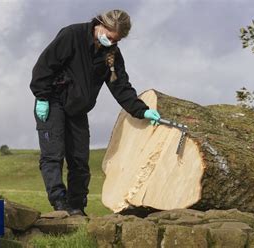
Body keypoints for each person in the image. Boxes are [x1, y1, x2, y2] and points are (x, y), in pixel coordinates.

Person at [30, 9, 161, 216]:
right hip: (52, 101)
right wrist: (42, 97)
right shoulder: (72, 35)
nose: (111, 42)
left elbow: (121, 87)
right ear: (100, 24)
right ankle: (59, 204)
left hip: (78, 110)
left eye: (116, 40)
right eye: (109, 37)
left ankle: (77, 207)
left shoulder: (112, 54)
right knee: (53, 155)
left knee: (80, 160)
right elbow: (43, 67)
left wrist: (142, 111)